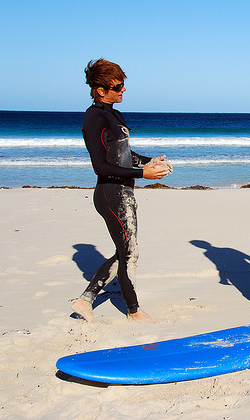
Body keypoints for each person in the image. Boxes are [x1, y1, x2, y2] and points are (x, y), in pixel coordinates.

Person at [71, 58, 172, 322]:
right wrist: (143, 173)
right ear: (100, 90)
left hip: (124, 193)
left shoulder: (113, 114)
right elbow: (101, 166)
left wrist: (149, 162)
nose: (123, 90)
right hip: (110, 194)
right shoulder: (93, 117)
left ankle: (86, 300)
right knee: (130, 253)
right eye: (117, 86)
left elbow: (123, 154)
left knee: (127, 251)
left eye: (123, 85)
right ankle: (133, 311)